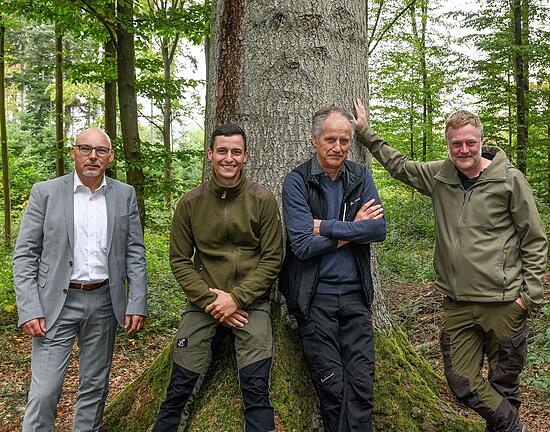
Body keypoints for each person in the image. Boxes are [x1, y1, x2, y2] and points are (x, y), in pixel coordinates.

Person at [353, 99, 547, 432]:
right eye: (456, 143)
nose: (463, 149)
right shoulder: (440, 177)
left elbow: (534, 238)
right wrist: (365, 133)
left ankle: (507, 427)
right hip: (457, 305)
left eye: (470, 142)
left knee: (504, 384)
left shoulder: (509, 180)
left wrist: (529, 296)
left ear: (481, 141)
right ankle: (515, 427)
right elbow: (400, 165)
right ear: (448, 144)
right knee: (462, 381)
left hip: (504, 304)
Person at [13, 127, 147, 431]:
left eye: (100, 151)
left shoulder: (124, 195)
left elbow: (135, 253)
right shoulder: (45, 192)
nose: (92, 156)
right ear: (73, 152)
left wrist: (136, 301)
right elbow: (24, 255)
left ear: (110, 157)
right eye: (85, 149)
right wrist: (30, 307)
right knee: (45, 390)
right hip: (53, 305)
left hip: (104, 301)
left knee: (94, 387)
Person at [153, 124, 283, 432]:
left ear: (246, 156)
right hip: (204, 303)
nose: (229, 158)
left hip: (251, 305)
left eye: (236, 152)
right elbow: (180, 260)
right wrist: (213, 301)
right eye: (222, 151)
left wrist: (237, 299)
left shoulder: (262, 200)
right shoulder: (190, 203)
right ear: (210, 154)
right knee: (179, 388)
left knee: (256, 390)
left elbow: (273, 258)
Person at [279, 106, 386, 432]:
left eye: (344, 140)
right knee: (333, 388)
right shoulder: (297, 182)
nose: (337, 147)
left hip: (355, 298)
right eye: (330, 139)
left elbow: (378, 231)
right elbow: (302, 246)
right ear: (315, 140)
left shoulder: (360, 177)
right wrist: (352, 229)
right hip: (315, 300)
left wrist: (324, 226)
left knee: (362, 388)